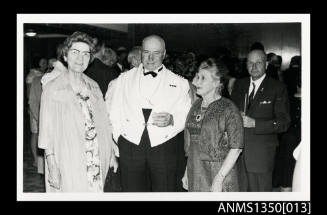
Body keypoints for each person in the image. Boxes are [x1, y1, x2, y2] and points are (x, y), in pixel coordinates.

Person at [109, 35, 192, 192]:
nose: (151, 57)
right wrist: (119, 137)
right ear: (141, 53)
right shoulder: (124, 79)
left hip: (164, 146)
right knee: (132, 190)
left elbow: (185, 113)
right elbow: (114, 110)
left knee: (164, 189)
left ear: (164, 53)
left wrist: (172, 119)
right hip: (130, 144)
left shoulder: (180, 83)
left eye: (156, 52)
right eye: (146, 52)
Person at [38, 31, 118, 192]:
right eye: (75, 52)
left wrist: (111, 153)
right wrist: (52, 165)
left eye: (86, 54)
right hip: (68, 157)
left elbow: (104, 122)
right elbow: (46, 132)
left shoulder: (94, 86)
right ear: (65, 56)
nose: (80, 58)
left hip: (96, 157)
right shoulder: (52, 88)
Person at [231, 49, 290, 192]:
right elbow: (230, 111)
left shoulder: (277, 88)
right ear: (246, 65)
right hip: (236, 155)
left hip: (261, 156)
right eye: (250, 63)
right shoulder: (239, 84)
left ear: (267, 64)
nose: (254, 67)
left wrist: (255, 124)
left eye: (258, 63)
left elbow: (284, 122)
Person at [182, 58, 244, 192]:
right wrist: (187, 171)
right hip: (195, 170)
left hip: (219, 173)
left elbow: (236, 148)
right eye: (197, 76)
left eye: (202, 78)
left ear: (217, 83)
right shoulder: (196, 105)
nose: (195, 81)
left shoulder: (229, 108)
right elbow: (192, 143)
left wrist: (219, 178)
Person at [26, 57, 48, 167]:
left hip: (42, 107)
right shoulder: (32, 76)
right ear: (38, 63)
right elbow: (29, 95)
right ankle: (35, 159)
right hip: (35, 107)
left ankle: (41, 160)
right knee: (35, 134)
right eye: (43, 62)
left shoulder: (44, 74)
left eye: (46, 62)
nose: (45, 64)